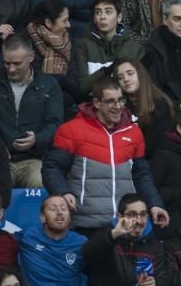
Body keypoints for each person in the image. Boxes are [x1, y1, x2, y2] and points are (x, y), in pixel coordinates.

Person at [41, 77, 167, 231]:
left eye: (121, 100)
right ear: (97, 103)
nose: (118, 106)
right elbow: (52, 168)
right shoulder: (71, 130)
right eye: (111, 101)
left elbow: (142, 175)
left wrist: (155, 204)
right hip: (85, 225)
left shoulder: (134, 132)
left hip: (125, 225)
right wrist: (63, 192)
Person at [0, 35, 62, 187]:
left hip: (34, 159)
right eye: (6, 63)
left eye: (17, 63)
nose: (11, 69)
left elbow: (55, 123)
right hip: (0, 159)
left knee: (40, 182)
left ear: (31, 57)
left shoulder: (49, 84)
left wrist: (37, 138)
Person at [16, 195, 91, 286]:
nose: (60, 212)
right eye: (53, 208)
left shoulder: (82, 243)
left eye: (64, 208)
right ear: (42, 217)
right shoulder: (28, 237)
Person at [113, 58, 176, 158]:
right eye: (120, 77)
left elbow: (153, 145)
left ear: (140, 74)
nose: (125, 79)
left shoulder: (160, 104)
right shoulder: (119, 106)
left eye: (130, 73)